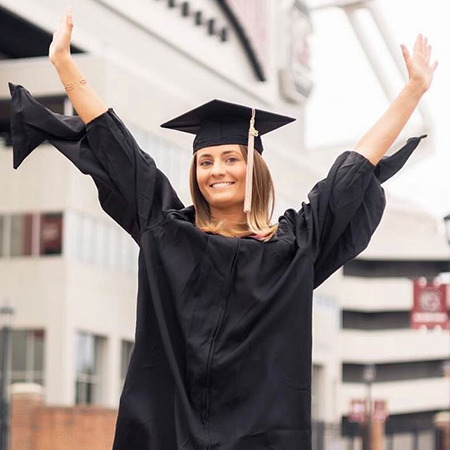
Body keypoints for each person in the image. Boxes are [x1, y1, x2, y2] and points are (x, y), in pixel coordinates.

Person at [8, 6, 437, 450]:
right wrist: (65, 64)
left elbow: (351, 172)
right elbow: (118, 148)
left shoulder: (292, 248)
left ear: (255, 168)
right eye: (206, 161)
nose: (217, 171)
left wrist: (411, 92)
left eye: (231, 158)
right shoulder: (167, 231)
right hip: (169, 437)